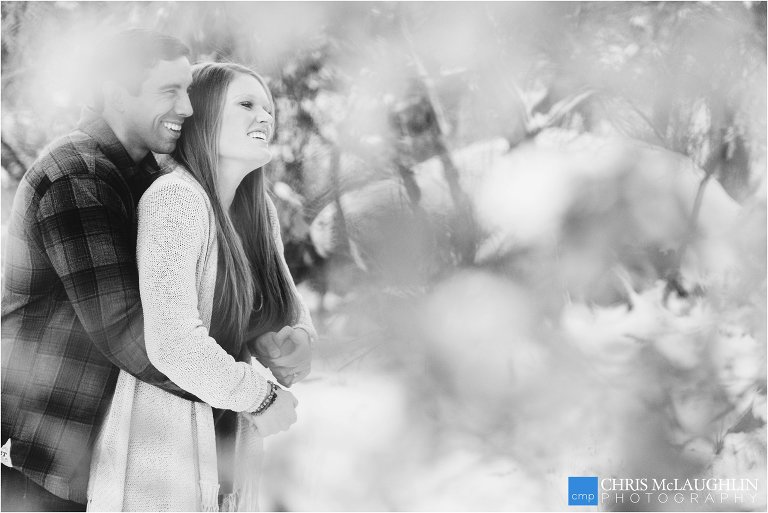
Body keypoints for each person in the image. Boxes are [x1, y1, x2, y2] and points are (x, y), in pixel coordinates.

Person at [87, 61, 316, 511]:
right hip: (162, 452)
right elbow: (171, 341)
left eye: (269, 108)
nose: (265, 118)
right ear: (206, 116)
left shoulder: (257, 209)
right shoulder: (176, 200)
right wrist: (262, 397)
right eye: (247, 104)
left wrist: (297, 340)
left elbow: (286, 305)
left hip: (229, 444)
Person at [0, 29, 197, 511]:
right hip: (41, 443)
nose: (188, 109)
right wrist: (235, 389)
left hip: (95, 442)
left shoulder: (147, 178)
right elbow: (122, 327)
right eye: (169, 91)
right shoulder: (77, 174)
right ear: (114, 92)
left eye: (188, 90)